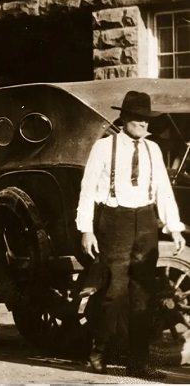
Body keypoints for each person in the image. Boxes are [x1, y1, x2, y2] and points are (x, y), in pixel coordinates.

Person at [76, 90, 186, 378]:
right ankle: (99, 350)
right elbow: (87, 190)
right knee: (113, 292)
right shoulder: (104, 147)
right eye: (138, 119)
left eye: (147, 120)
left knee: (143, 296)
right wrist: (86, 230)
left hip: (146, 221)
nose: (144, 125)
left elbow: (163, 189)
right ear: (124, 118)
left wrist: (174, 228)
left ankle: (137, 361)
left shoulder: (153, 149)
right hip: (115, 221)